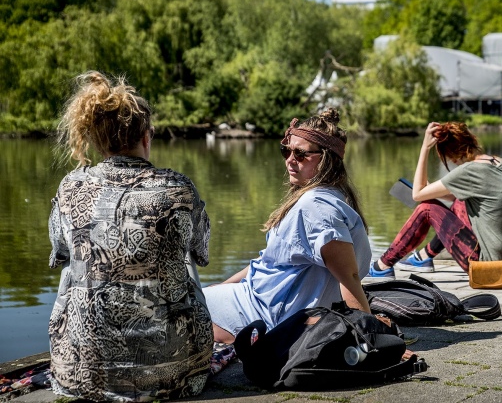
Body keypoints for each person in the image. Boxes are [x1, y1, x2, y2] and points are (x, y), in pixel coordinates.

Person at [48, 71, 213, 401]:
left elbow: (59, 255)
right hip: (177, 376)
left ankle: (88, 352)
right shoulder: (179, 187)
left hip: (80, 379)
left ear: (96, 140)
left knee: (76, 258)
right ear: (147, 137)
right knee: (183, 260)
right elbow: (202, 253)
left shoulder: (70, 187)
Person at [203, 109, 371, 343]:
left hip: (266, 314)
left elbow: (349, 276)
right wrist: (221, 286)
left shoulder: (317, 207)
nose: (290, 160)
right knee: (199, 297)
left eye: (300, 154)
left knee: (180, 310)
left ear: (326, 159)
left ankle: (235, 339)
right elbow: (266, 262)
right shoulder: (330, 196)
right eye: (286, 150)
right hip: (259, 298)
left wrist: (368, 338)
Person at [366, 121, 502, 284]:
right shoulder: (500, 163)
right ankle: (424, 257)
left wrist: (425, 148)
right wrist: (430, 191)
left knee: (426, 209)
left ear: (453, 155)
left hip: (490, 270)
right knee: (458, 201)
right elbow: (452, 196)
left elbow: (417, 194)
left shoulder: (470, 170)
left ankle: (382, 266)